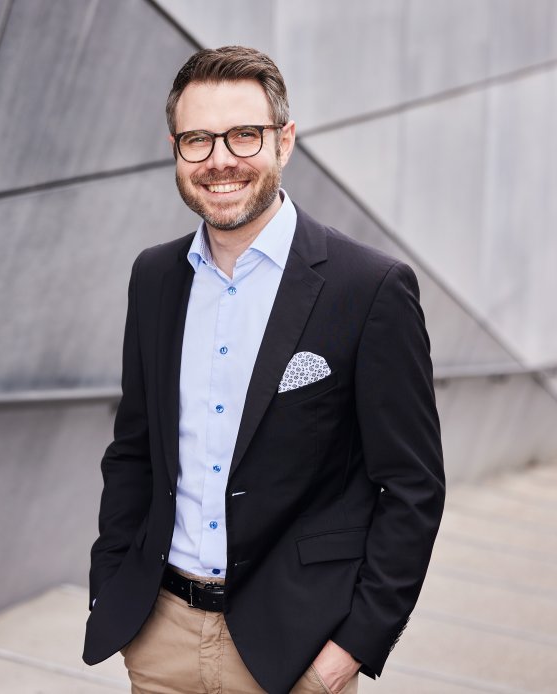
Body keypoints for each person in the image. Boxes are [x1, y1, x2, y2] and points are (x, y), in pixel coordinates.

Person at [82, 46, 445, 694]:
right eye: (197, 139)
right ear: (175, 150)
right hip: (160, 637)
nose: (219, 159)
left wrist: (351, 648)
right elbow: (134, 449)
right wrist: (110, 587)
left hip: (296, 653)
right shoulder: (155, 276)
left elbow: (412, 486)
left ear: (285, 140)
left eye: (243, 134)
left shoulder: (369, 288)